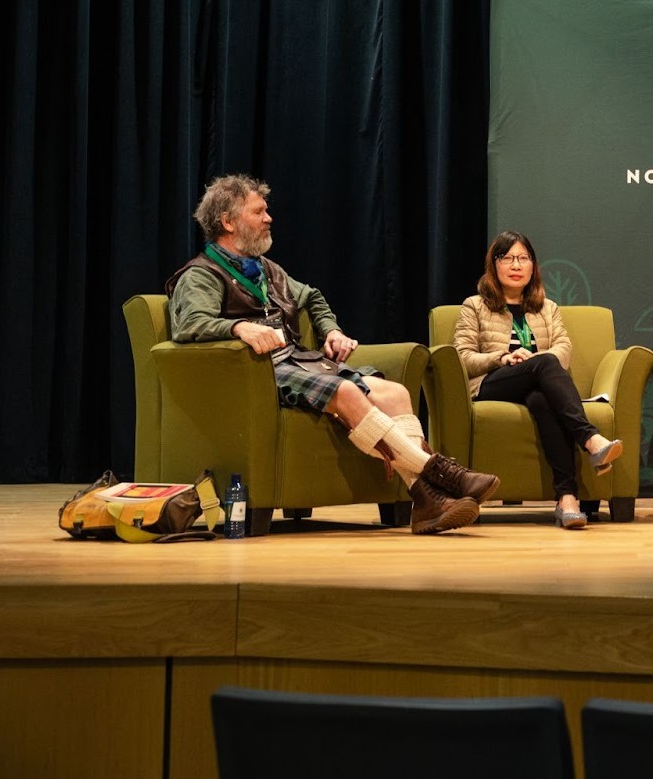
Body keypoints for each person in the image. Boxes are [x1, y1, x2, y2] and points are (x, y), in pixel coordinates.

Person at [166, 174, 498, 535]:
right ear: (228, 222)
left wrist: (332, 330)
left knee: (396, 393)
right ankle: (442, 474)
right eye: (259, 211)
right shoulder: (201, 274)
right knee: (347, 392)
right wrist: (238, 328)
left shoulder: (266, 270)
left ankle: (425, 500)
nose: (269, 218)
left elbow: (311, 297)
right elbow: (190, 326)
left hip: (296, 363)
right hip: (257, 375)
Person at [452, 231, 623, 530]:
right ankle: (590, 439)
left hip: (535, 383)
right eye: (507, 258)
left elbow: (564, 350)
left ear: (533, 266)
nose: (516, 265)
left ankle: (567, 499)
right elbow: (462, 357)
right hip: (492, 384)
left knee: (543, 398)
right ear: (494, 265)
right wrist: (501, 358)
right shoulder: (475, 306)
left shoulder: (547, 307)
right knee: (544, 362)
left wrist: (534, 362)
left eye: (523, 258)